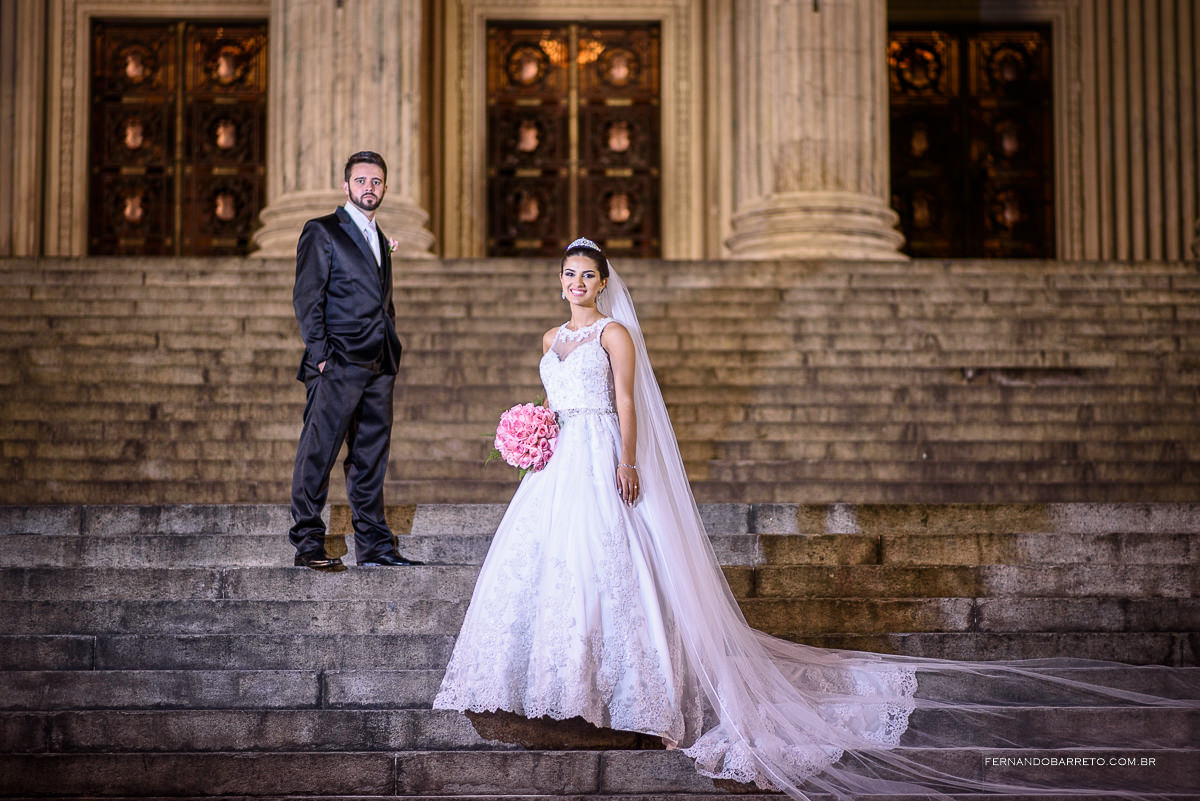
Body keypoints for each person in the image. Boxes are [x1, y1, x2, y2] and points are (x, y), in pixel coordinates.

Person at [434, 238, 1198, 798]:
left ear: (604, 282)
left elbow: (627, 403)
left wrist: (626, 461)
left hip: (603, 454)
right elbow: (554, 401)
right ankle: (562, 683)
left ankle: (638, 690)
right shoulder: (549, 337)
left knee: (616, 564)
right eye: (568, 274)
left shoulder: (613, 333)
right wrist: (531, 433)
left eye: (588, 275)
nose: (576, 284)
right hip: (556, 465)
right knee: (554, 570)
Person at [287, 151, 420, 571]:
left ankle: (375, 547)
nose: (369, 188)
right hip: (338, 362)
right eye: (361, 181)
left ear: (384, 187)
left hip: (379, 364)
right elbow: (307, 298)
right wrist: (322, 356)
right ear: (346, 186)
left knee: (370, 458)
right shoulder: (322, 231)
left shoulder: (379, 238)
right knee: (319, 452)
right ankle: (308, 543)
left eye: (376, 181)